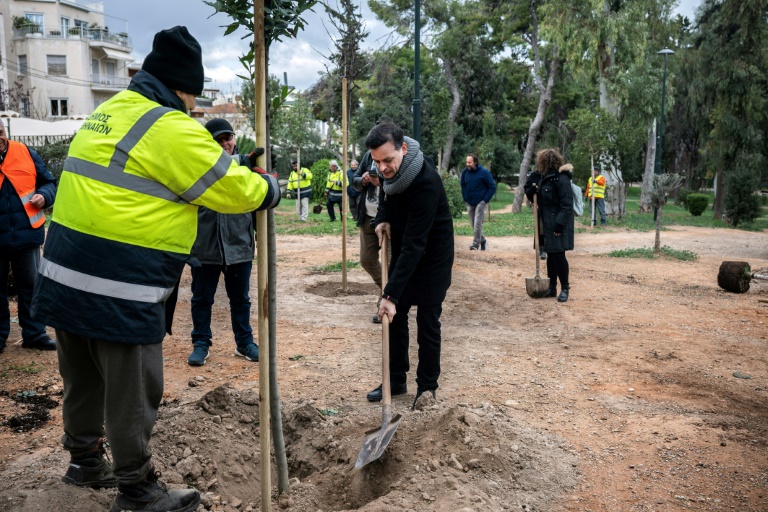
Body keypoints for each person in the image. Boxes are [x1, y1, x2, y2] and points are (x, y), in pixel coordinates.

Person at [30, 26, 280, 512]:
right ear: (183, 89)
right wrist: (268, 187)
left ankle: (84, 461)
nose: (193, 107)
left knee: (82, 374)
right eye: (193, 97)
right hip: (119, 280)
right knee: (132, 386)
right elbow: (230, 188)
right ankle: (137, 489)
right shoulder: (168, 127)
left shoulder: (108, 112)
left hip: (62, 272)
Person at [365, 122, 454, 408]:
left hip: (432, 258)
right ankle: (395, 380)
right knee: (395, 319)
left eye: (387, 160)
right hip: (406, 250)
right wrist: (381, 219)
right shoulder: (389, 173)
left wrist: (389, 294)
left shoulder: (426, 182)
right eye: (377, 161)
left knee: (427, 323)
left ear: (403, 148)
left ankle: (427, 388)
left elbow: (417, 244)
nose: (382, 167)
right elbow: (386, 197)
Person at [186, 119, 262, 367]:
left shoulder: (246, 168)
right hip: (204, 247)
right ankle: (201, 343)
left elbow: (256, 202)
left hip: (238, 245)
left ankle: (244, 343)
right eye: (217, 140)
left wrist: (257, 235)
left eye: (227, 138)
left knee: (240, 299)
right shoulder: (197, 167)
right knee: (201, 299)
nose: (224, 144)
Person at [0, 119, 57, 354]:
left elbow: (48, 182)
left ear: (5, 131)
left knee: (31, 286)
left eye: (0, 132)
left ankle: (35, 334)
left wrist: (44, 196)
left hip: (27, 235)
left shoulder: (25, 152)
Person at [524, 149, 574, 303]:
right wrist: (531, 192)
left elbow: (567, 205)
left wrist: (559, 225)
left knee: (558, 255)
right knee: (551, 256)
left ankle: (565, 288)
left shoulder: (561, 179)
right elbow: (541, 198)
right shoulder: (545, 179)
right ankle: (552, 288)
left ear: (544, 163)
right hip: (546, 223)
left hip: (558, 224)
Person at [352, 151, 384, 324]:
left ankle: (385, 301)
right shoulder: (368, 156)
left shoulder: (396, 154)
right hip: (368, 217)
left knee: (390, 263)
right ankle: (389, 290)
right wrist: (363, 180)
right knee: (367, 260)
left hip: (389, 219)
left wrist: (382, 181)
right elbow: (355, 181)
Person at [460, 154, 496, 251]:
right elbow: (462, 185)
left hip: (481, 202)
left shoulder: (484, 172)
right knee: (473, 224)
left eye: (469, 162)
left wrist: (485, 200)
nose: (467, 164)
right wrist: (465, 198)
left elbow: (492, 187)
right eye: (467, 162)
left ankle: (475, 244)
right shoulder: (465, 172)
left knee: (477, 223)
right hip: (469, 201)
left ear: (475, 162)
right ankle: (482, 240)